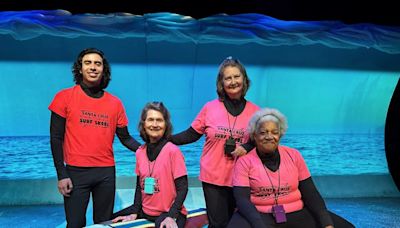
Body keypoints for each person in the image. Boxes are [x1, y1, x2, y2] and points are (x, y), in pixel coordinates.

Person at [48, 48, 141, 228]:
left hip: (105, 173)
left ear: (103, 69)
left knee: (104, 224)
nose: (93, 67)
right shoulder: (64, 97)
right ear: (80, 68)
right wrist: (62, 174)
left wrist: (148, 150)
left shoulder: (115, 103)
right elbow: (56, 138)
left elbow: (126, 138)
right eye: (88, 63)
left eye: (97, 63)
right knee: (75, 224)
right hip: (75, 173)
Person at [170, 57, 259, 227]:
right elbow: (191, 134)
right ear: (221, 83)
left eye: (236, 76)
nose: (233, 81)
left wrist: (245, 147)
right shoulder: (210, 107)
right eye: (228, 78)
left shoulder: (256, 112)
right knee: (218, 223)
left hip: (241, 179)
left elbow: (258, 143)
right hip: (213, 177)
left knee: (238, 223)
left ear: (244, 79)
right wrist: (166, 139)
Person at [228, 108, 354, 228]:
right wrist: (259, 225)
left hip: (296, 212)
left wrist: (327, 224)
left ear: (280, 135)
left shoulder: (294, 155)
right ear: (254, 136)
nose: (269, 137)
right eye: (263, 132)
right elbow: (242, 200)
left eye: (274, 132)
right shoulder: (244, 161)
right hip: (260, 215)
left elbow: (311, 194)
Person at [111, 102, 189, 228]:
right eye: (150, 120)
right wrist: (134, 212)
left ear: (166, 125)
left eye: (159, 120)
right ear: (144, 124)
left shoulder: (173, 151)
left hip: (169, 212)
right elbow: (139, 186)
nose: (154, 124)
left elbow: (183, 188)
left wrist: (171, 216)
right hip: (145, 211)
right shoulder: (140, 152)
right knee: (110, 220)